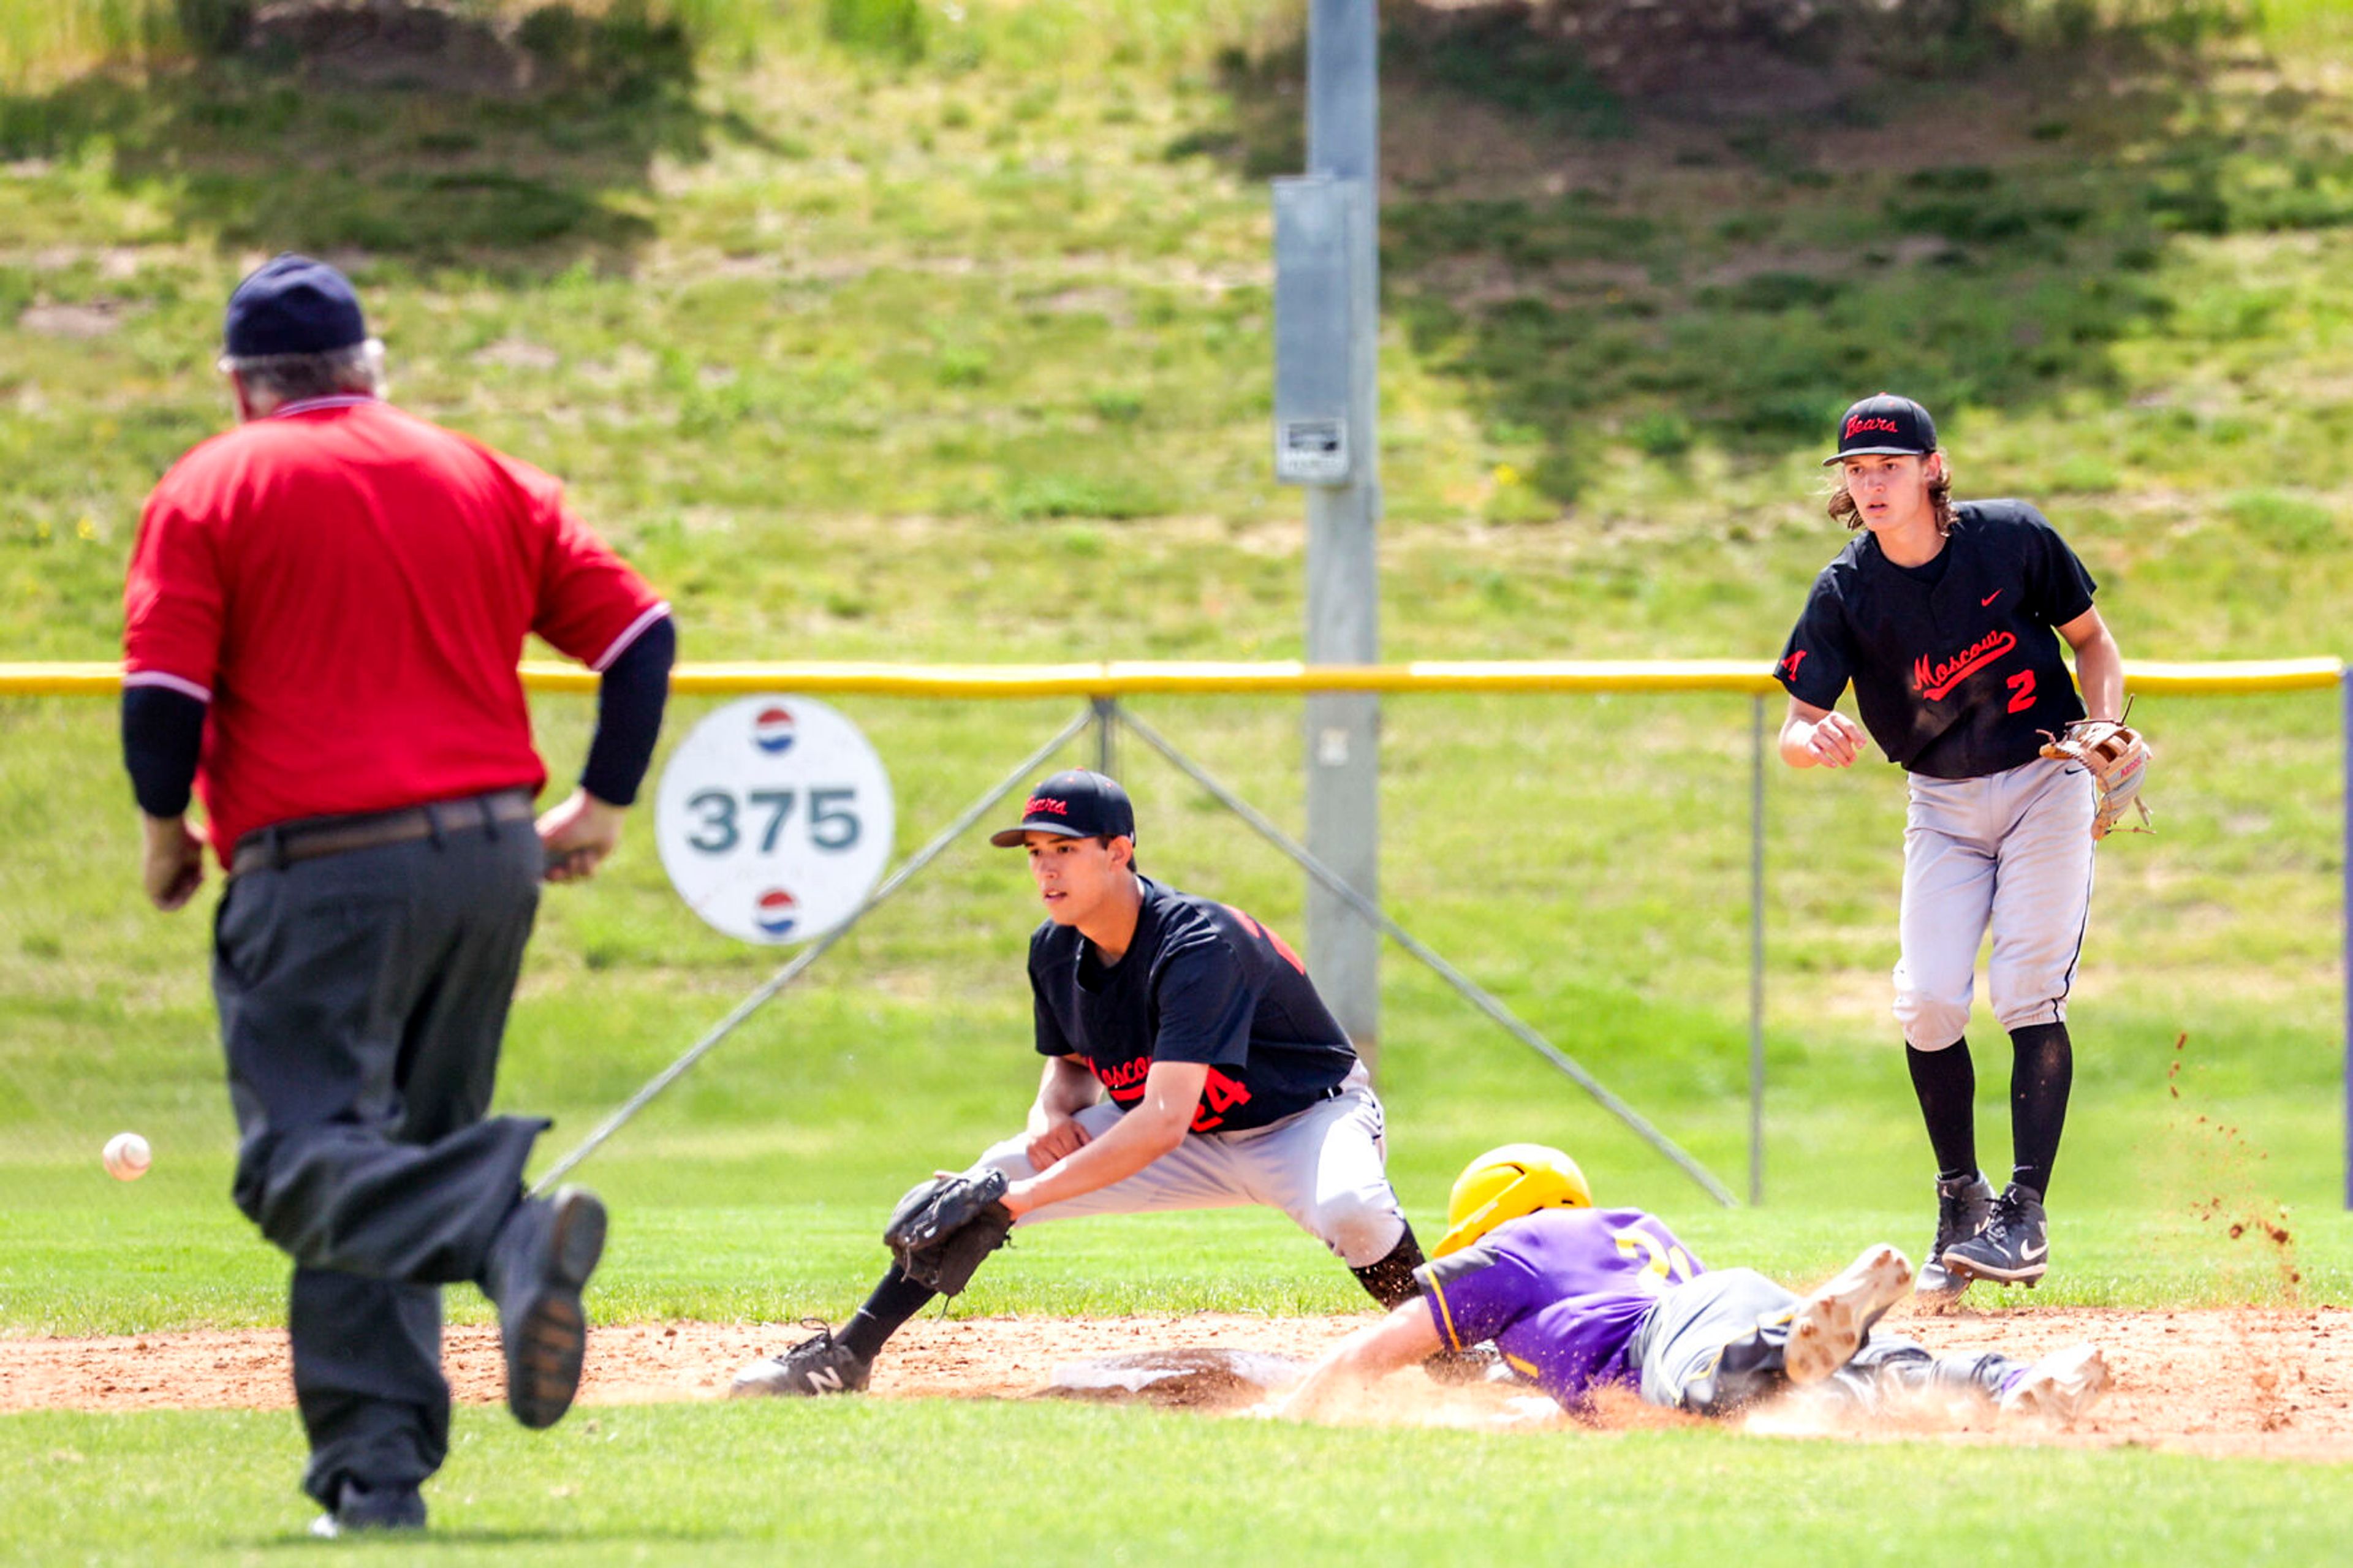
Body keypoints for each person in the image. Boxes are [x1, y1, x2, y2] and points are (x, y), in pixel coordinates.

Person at [119, 255, 675, 1536]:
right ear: (370, 363)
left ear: (240, 381)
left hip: (320, 870)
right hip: (487, 859)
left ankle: (500, 1231)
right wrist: (600, 801)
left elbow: (163, 701)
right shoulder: (474, 470)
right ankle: (377, 1480)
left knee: (302, 1158)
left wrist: (164, 830)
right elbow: (641, 636)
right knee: (393, 1156)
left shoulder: (213, 481)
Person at [732, 768, 1434, 1398]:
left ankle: (1462, 1357)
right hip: (1185, 1136)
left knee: (1351, 1208)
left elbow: (1159, 1120)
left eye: (1064, 849)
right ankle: (846, 1358)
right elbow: (1071, 1063)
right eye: (1036, 853)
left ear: (1119, 851)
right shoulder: (1055, 946)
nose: (1045, 870)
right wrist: (1049, 1119)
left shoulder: (1198, 944)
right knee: (988, 1177)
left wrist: (1022, 1201)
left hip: (1302, 1122)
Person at [1772, 393, 2136, 1300]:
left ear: (1935, 468)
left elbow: (2092, 640)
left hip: (2044, 779)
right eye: (1857, 470)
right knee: (1929, 1000)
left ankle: (2025, 1210)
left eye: (1889, 465)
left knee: (2023, 987)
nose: (1872, 483)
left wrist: (2103, 722)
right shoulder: (1847, 588)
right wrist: (1806, 739)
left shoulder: (2012, 539)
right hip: (1939, 801)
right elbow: (1794, 721)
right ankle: (1960, 1198)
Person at [1277, 1144, 2110, 1425]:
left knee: (1707, 1394)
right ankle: (2015, 1379)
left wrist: (1282, 1412)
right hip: (1726, 1296)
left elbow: (1377, 1348)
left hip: (1671, 1336)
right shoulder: (1626, 1227)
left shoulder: (1514, 1247)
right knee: (1873, 1368)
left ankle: (1792, 1341)